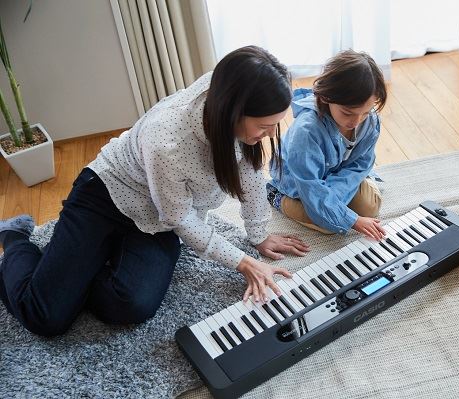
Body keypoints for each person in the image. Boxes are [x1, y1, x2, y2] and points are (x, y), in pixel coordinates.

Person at [0, 46, 309, 337]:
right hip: (107, 195)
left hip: (157, 219)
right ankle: (15, 237)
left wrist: (258, 234)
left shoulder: (232, 93)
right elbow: (182, 221)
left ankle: (77, 266)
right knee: (44, 316)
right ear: (233, 112)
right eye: (265, 126)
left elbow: (250, 171)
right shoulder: (167, 139)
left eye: (275, 124)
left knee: (131, 304)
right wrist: (244, 261)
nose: (271, 133)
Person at [267, 49, 388, 240]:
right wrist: (350, 219)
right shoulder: (306, 131)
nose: (356, 121)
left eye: (365, 112)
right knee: (329, 225)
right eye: (348, 113)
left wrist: (335, 195)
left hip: (337, 173)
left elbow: (361, 164)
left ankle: (334, 202)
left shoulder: (370, 121)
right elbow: (310, 183)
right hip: (300, 179)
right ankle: (276, 196)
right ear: (325, 97)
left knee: (369, 208)